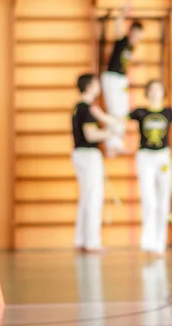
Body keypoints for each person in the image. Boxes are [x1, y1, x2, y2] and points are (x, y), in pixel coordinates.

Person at [71, 74, 121, 253]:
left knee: (86, 198)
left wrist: (109, 121)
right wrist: (111, 134)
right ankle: (92, 242)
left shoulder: (80, 107)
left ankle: (81, 239)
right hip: (89, 155)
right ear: (90, 86)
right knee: (93, 198)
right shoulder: (86, 109)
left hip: (80, 154)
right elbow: (91, 135)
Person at [128, 80, 172, 257]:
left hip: (163, 156)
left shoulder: (169, 112)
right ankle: (148, 241)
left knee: (163, 198)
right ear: (147, 92)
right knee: (149, 199)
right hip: (145, 156)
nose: (156, 92)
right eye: (153, 89)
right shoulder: (140, 112)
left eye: (159, 89)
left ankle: (160, 243)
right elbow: (119, 119)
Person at [101, 8, 144, 158]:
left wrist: (134, 64)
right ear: (131, 32)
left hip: (121, 79)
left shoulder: (132, 47)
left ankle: (117, 142)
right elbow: (118, 25)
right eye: (137, 34)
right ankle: (111, 145)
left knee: (122, 112)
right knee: (114, 111)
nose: (138, 38)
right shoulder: (123, 40)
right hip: (112, 78)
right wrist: (122, 14)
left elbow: (124, 61)